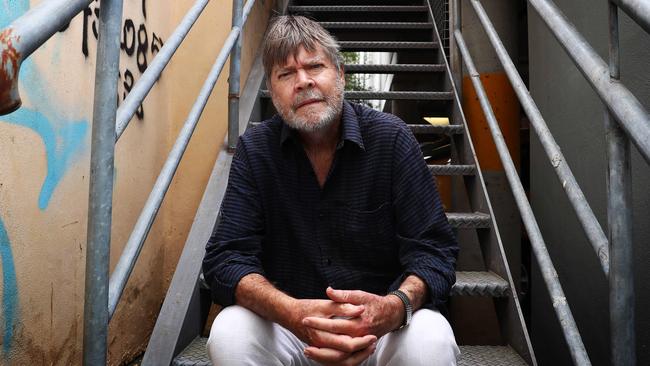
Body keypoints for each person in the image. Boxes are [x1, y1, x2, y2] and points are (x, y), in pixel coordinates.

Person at [203, 15, 460, 366]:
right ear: (271, 89)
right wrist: (292, 312)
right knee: (230, 331)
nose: (303, 81)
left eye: (315, 66)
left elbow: (435, 252)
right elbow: (226, 257)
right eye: (286, 74)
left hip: (379, 335)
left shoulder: (392, 139)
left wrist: (393, 307)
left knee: (431, 337)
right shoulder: (256, 150)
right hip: (293, 333)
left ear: (340, 74)